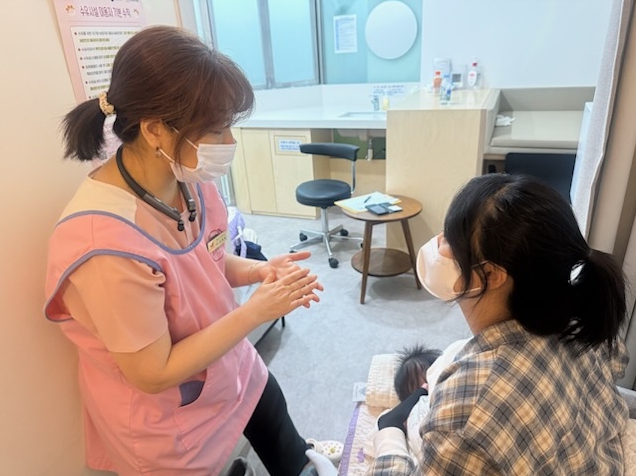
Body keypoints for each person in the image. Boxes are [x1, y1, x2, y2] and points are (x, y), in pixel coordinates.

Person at [44, 25, 326, 476]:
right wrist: (256, 312)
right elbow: (152, 372)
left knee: (280, 426)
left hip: (228, 364)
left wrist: (257, 272)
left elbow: (203, 260)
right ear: (155, 129)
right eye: (216, 129)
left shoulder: (188, 179)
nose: (229, 143)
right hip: (170, 418)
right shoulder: (104, 244)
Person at [369, 173, 629, 475]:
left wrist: (389, 438)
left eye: (449, 239)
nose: (437, 243)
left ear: (491, 275)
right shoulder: (580, 318)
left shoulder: (467, 410)